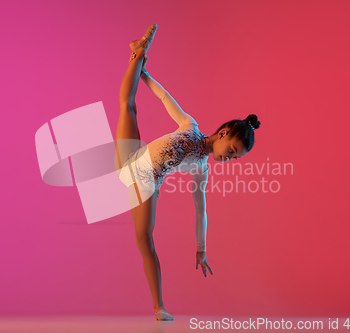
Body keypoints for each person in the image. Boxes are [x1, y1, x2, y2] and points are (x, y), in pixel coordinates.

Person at [114, 24, 261, 321]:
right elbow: (166, 98)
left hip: (147, 182)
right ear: (222, 133)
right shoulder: (189, 126)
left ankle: (159, 307)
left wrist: (201, 249)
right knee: (128, 107)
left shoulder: (201, 168)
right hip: (131, 160)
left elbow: (200, 210)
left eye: (236, 159)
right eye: (231, 151)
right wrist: (144, 75)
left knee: (145, 240)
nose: (229, 159)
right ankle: (139, 52)